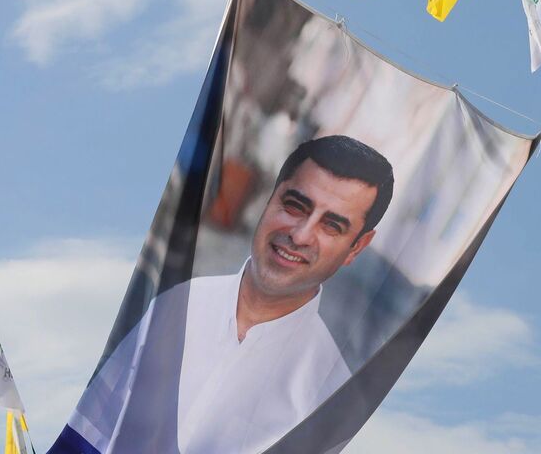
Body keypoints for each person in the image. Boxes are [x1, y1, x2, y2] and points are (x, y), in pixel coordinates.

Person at [55, 136, 395, 454]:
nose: (301, 235)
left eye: (331, 226)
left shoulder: (329, 389)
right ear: (269, 198)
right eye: (295, 206)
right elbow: (89, 431)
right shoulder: (174, 304)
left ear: (357, 247)